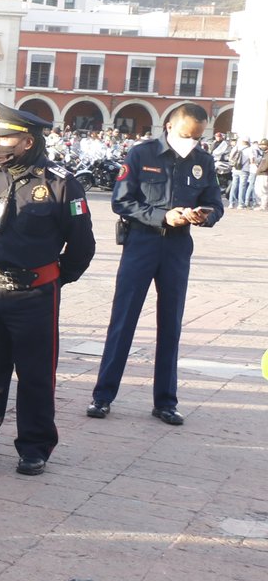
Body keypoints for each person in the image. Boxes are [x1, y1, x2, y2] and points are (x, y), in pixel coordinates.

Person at [0, 104, 96, 476]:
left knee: (35, 375)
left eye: (6, 138)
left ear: (27, 141)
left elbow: (82, 244)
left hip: (35, 295)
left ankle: (35, 447)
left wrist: (54, 278)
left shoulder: (61, 183)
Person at [87, 103, 224, 425]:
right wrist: (163, 216)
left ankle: (165, 402)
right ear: (170, 126)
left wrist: (202, 216)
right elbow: (122, 201)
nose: (192, 142)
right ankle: (102, 396)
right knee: (123, 320)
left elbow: (216, 204)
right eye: (188, 135)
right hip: (141, 242)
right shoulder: (141, 154)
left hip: (177, 247)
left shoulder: (203, 161)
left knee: (171, 324)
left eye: (197, 137)